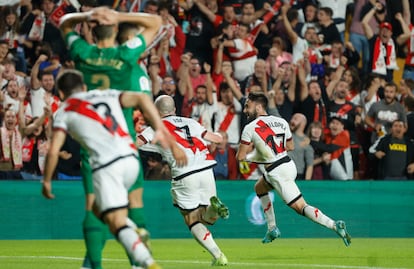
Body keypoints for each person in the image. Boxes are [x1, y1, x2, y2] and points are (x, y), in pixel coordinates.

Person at [41, 69, 186, 269]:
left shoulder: (65, 110)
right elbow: (142, 99)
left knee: (117, 223)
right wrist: (162, 132)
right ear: (83, 87)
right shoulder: (106, 94)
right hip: (131, 160)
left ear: (63, 94)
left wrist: (47, 181)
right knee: (98, 210)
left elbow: (53, 150)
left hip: (107, 166)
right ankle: (94, 261)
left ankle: (147, 262)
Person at [59, 7, 162, 269]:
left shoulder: (83, 53)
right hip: (124, 141)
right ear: (117, 30)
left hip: (93, 143)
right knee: (133, 204)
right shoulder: (130, 62)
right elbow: (156, 22)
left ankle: (92, 262)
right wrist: (118, 16)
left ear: (92, 30)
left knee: (95, 205)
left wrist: (89, 15)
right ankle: (140, 261)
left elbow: (64, 23)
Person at [236, 92, 351, 246]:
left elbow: (240, 157)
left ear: (258, 107)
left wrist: (256, 156)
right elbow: (290, 146)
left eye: (247, 106)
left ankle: (334, 225)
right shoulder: (281, 121)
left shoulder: (250, 128)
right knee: (259, 188)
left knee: (301, 207)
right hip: (288, 164)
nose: (245, 111)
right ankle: (272, 228)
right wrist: (268, 153)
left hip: (277, 171)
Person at [137, 95, 230, 266]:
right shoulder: (191, 122)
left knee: (191, 219)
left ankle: (219, 256)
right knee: (209, 218)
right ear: (174, 110)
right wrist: (216, 133)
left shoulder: (155, 127)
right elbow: (217, 139)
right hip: (206, 168)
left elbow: (135, 143)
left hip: (184, 172)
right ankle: (214, 208)